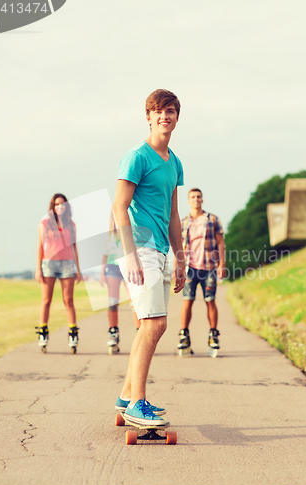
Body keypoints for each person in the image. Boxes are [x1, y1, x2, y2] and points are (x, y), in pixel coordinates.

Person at [112, 89, 186, 426]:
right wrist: (129, 255)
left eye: (170, 111)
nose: (164, 117)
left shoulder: (175, 162)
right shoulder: (137, 157)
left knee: (148, 324)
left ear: (176, 117)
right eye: (158, 111)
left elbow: (173, 215)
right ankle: (136, 405)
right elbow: (119, 207)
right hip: (139, 249)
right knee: (156, 323)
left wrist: (181, 258)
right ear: (148, 116)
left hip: (159, 250)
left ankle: (128, 395)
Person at [177, 188, 226, 354]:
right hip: (190, 268)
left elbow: (220, 243)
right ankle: (184, 334)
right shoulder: (183, 222)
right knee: (187, 300)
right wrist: (178, 266)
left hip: (209, 266)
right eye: (192, 197)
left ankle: (213, 334)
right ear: (188, 201)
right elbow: (178, 247)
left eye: (198, 197)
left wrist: (222, 264)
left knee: (210, 300)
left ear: (202, 200)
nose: (196, 199)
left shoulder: (212, 219)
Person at [35, 194, 81, 353]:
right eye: (56, 204)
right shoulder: (45, 223)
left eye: (62, 204)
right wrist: (38, 269)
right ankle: (43, 332)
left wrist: (78, 269)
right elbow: (40, 247)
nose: (59, 207)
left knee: (68, 300)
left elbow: (75, 248)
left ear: (66, 206)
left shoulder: (71, 224)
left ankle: (73, 333)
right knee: (46, 300)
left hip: (68, 264)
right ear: (52, 207)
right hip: (49, 263)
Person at [99, 213, 140, 354]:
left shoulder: (131, 232)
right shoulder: (109, 235)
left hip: (128, 266)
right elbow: (104, 254)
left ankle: (139, 333)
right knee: (112, 302)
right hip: (112, 268)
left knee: (134, 301)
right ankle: (113, 333)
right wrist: (102, 273)